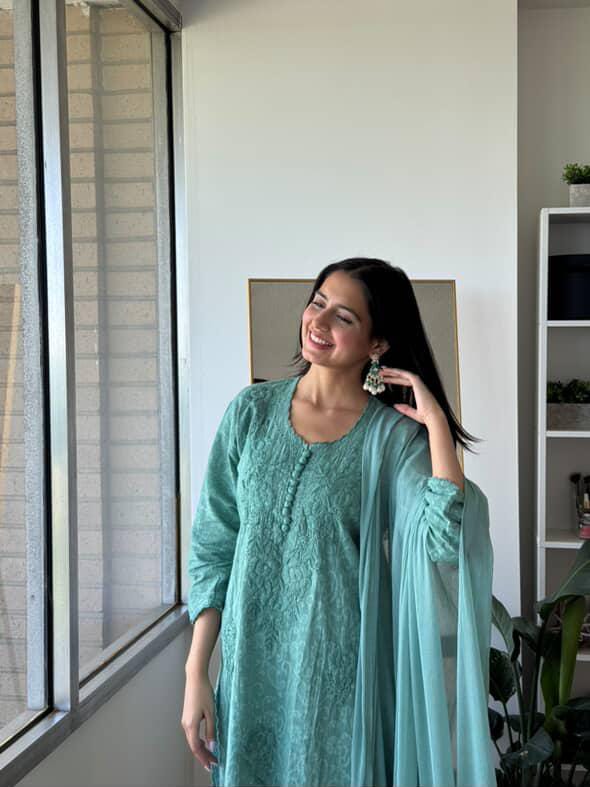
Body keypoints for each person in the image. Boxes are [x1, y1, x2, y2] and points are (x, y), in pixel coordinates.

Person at [181, 257, 496, 786]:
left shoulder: (390, 439)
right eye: (318, 303)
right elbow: (214, 548)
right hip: (249, 671)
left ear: (378, 343)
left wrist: (437, 425)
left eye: (344, 317)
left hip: (337, 679)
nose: (319, 321)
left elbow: (445, 538)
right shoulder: (250, 412)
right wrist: (197, 674)